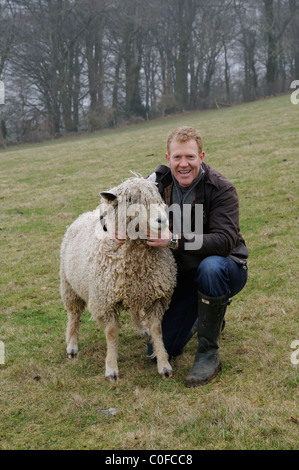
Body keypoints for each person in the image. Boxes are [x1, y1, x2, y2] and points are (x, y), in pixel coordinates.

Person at [113, 126, 248, 387]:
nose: (183, 164)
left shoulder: (221, 188)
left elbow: (224, 241)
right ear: (168, 158)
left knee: (209, 269)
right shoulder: (156, 181)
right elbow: (119, 201)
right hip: (183, 275)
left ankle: (208, 354)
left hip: (226, 268)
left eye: (190, 157)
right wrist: (112, 227)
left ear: (202, 156)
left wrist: (173, 240)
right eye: (177, 157)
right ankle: (203, 316)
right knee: (162, 350)